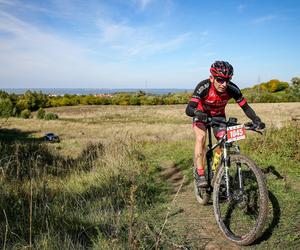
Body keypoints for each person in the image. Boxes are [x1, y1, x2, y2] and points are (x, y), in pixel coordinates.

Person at [186, 61, 265, 187]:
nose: (224, 84)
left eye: (227, 80)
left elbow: (245, 107)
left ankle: (215, 171)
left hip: (218, 116)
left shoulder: (232, 89)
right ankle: (200, 174)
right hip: (201, 114)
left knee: (224, 142)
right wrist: (197, 113)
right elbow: (189, 109)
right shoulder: (204, 86)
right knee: (201, 138)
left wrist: (256, 120)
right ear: (211, 78)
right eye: (220, 80)